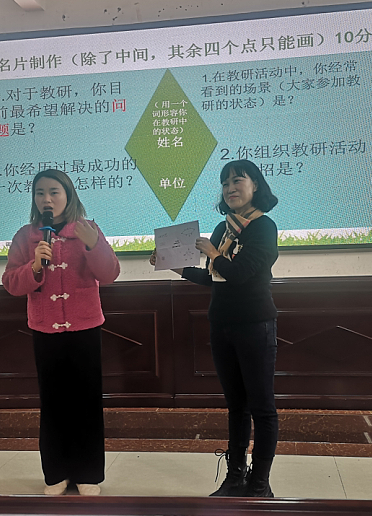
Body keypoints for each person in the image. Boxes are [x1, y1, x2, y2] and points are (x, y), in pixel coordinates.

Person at [150, 159, 279, 497]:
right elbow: (213, 277)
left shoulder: (264, 227)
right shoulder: (224, 229)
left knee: (262, 407)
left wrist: (212, 252)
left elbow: (240, 274)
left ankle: (259, 483)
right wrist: (173, 265)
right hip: (221, 326)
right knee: (236, 406)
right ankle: (235, 477)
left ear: (255, 186)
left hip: (255, 325)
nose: (230, 188)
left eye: (237, 181)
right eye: (225, 183)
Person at [2, 169, 120, 496]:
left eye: (54, 191)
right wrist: (33, 266)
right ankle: (56, 472)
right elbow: (11, 282)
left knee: (86, 402)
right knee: (53, 403)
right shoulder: (26, 236)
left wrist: (94, 245)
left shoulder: (88, 229)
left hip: (85, 327)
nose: (47, 199)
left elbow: (110, 273)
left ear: (68, 195)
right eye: (40, 192)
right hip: (45, 328)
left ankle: (87, 474)